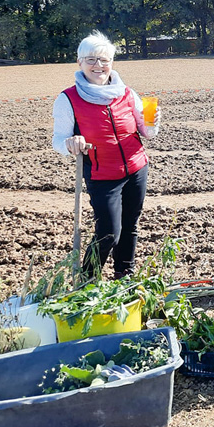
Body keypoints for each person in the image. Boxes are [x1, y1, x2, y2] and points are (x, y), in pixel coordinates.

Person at [52, 31, 160, 280]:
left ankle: (125, 276)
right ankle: (87, 280)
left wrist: (152, 122)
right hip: (102, 175)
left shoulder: (127, 93)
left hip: (136, 168)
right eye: (91, 59)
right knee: (109, 231)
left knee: (130, 226)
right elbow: (58, 140)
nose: (98, 66)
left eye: (104, 60)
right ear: (79, 62)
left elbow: (147, 133)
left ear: (111, 63)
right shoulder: (68, 99)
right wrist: (70, 143)